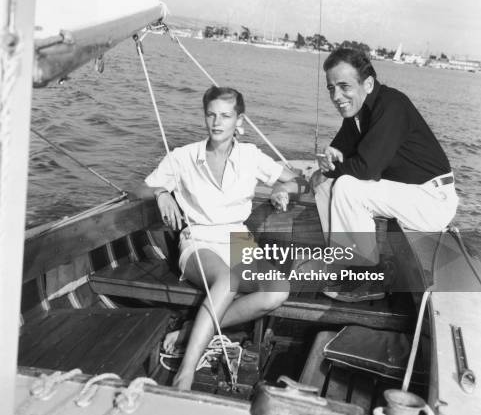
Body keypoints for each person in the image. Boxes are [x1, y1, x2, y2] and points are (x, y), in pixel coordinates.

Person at [142, 86, 298, 390]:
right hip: (197, 241)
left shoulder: (250, 156)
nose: (217, 122)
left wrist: (282, 191)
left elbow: (292, 180)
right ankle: (185, 373)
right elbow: (142, 188)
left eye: (225, 115)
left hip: (238, 240)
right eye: (211, 114)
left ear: (239, 120)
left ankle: (189, 332)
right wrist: (161, 193)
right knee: (228, 279)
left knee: (277, 291)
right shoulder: (184, 156)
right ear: (205, 117)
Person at [274, 47, 458, 301]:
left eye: (344, 86)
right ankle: (344, 267)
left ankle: (368, 276)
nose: (336, 96)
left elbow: (365, 169)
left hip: (432, 200)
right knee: (327, 186)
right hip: (409, 195)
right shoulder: (357, 115)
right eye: (331, 88)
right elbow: (336, 157)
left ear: (368, 84)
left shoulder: (392, 105)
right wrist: (324, 169)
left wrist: (331, 169)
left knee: (347, 186)